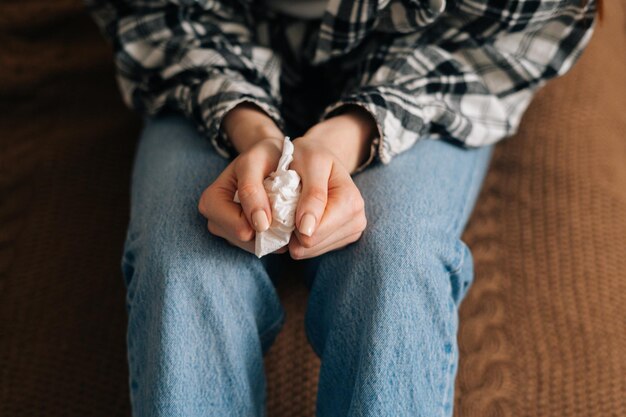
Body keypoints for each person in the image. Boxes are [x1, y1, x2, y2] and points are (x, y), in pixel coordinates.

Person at [86, 0, 597, 415]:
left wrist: (352, 132)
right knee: (183, 265)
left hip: (427, 63)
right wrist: (247, 125)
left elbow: (510, 36)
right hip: (215, 45)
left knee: (397, 261)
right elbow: (155, 12)